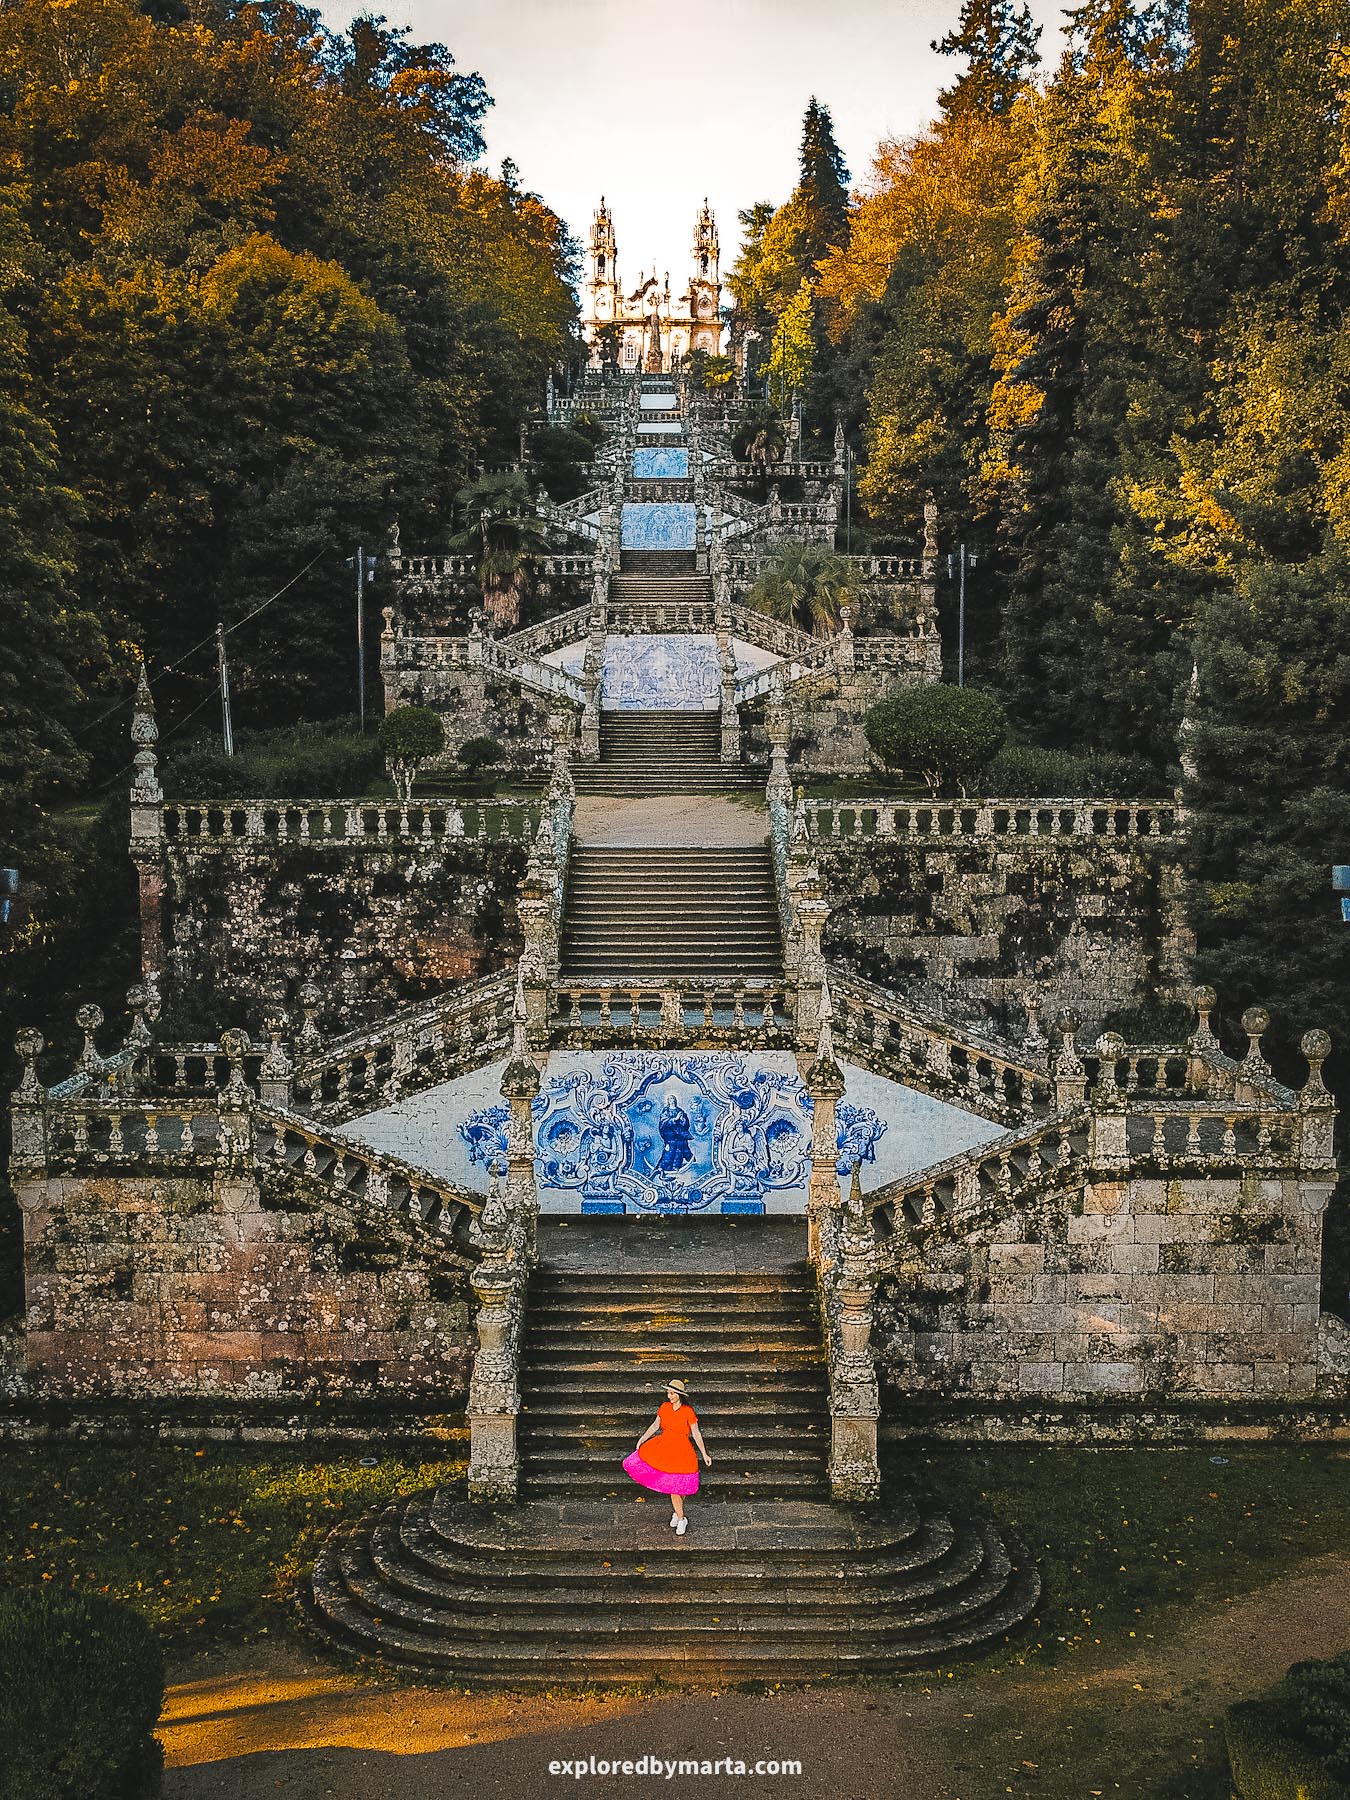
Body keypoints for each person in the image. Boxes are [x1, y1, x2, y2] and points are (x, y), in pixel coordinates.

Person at [621, 1379, 711, 1534]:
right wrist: (642, 1438)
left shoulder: (688, 1411)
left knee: (682, 1487)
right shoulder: (664, 1407)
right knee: (674, 1488)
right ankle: (681, 1518)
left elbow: (696, 1433)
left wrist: (704, 1453)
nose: (669, 1396)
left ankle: (678, 1513)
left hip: (682, 1451)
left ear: (679, 1395)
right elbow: (656, 1425)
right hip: (664, 1448)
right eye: (668, 1393)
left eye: (672, 1393)